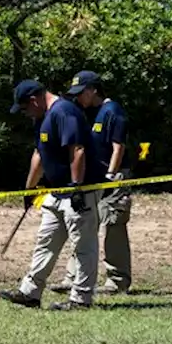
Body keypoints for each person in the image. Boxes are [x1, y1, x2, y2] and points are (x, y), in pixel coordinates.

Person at [0, 79, 106, 311]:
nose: (26, 114)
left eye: (26, 108)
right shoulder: (42, 118)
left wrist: (76, 187)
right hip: (55, 193)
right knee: (45, 241)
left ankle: (81, 298)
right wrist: (29, 190)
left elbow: (77, 150)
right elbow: (39, 154)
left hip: (78, 192)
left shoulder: (64, 112)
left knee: (83, 246)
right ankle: (30, 292)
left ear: (34, 100)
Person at [51, 70, 133, 295]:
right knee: (83, 225)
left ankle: (117, 279)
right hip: (94, 178)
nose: (78, 98)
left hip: (112, 178)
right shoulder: (90, 113)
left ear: (93, 90)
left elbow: (118, 147)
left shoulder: (113, 111)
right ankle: (74, 276)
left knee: (113, 225)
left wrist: (110, 177)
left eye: (81, 92)